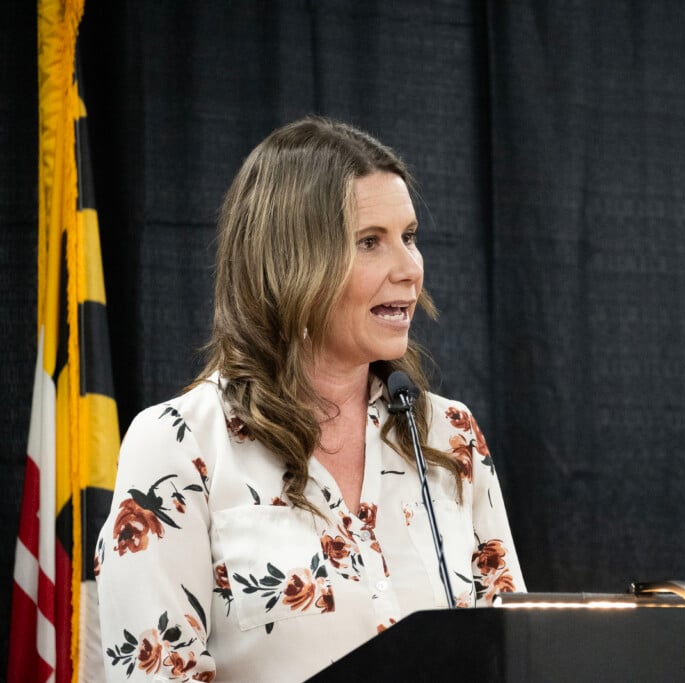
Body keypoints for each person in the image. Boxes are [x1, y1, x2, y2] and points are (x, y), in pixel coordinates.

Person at [95, 116, 524, 681]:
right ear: (289, 262)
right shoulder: (180, 444)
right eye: (370, 242)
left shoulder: (449, 434)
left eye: (410, 236)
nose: (409, 269)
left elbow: (515, 653)